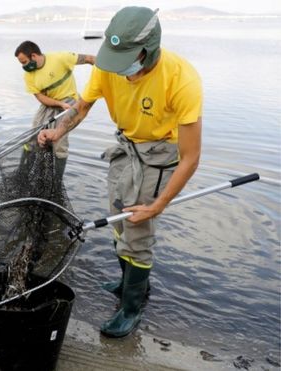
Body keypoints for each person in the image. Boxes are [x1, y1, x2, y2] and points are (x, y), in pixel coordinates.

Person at [37, 7, 202, 337]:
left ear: (149, 48)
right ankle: (129, 282)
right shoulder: (108, 65)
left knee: (138, 228)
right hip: (125, 146)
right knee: (116, 218)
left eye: (127, 57)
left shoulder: (182, 79)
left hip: (160, 153)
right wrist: (58, 132)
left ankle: (132, 307)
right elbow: (82, 107)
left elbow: (190, 158)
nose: (119, 67)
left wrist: (159, 204)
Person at [14, 40, 95, 180]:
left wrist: (107, 72)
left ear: (33, 56)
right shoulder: (28, 76)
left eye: (24, 62)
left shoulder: (60, 58)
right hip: (48, 105)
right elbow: (40, 98)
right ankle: (21, 176)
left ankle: (55, 184)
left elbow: (89, 59)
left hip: (69, 103)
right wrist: (58, 104)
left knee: (59, 144)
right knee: (33, 138)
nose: (24, 66)